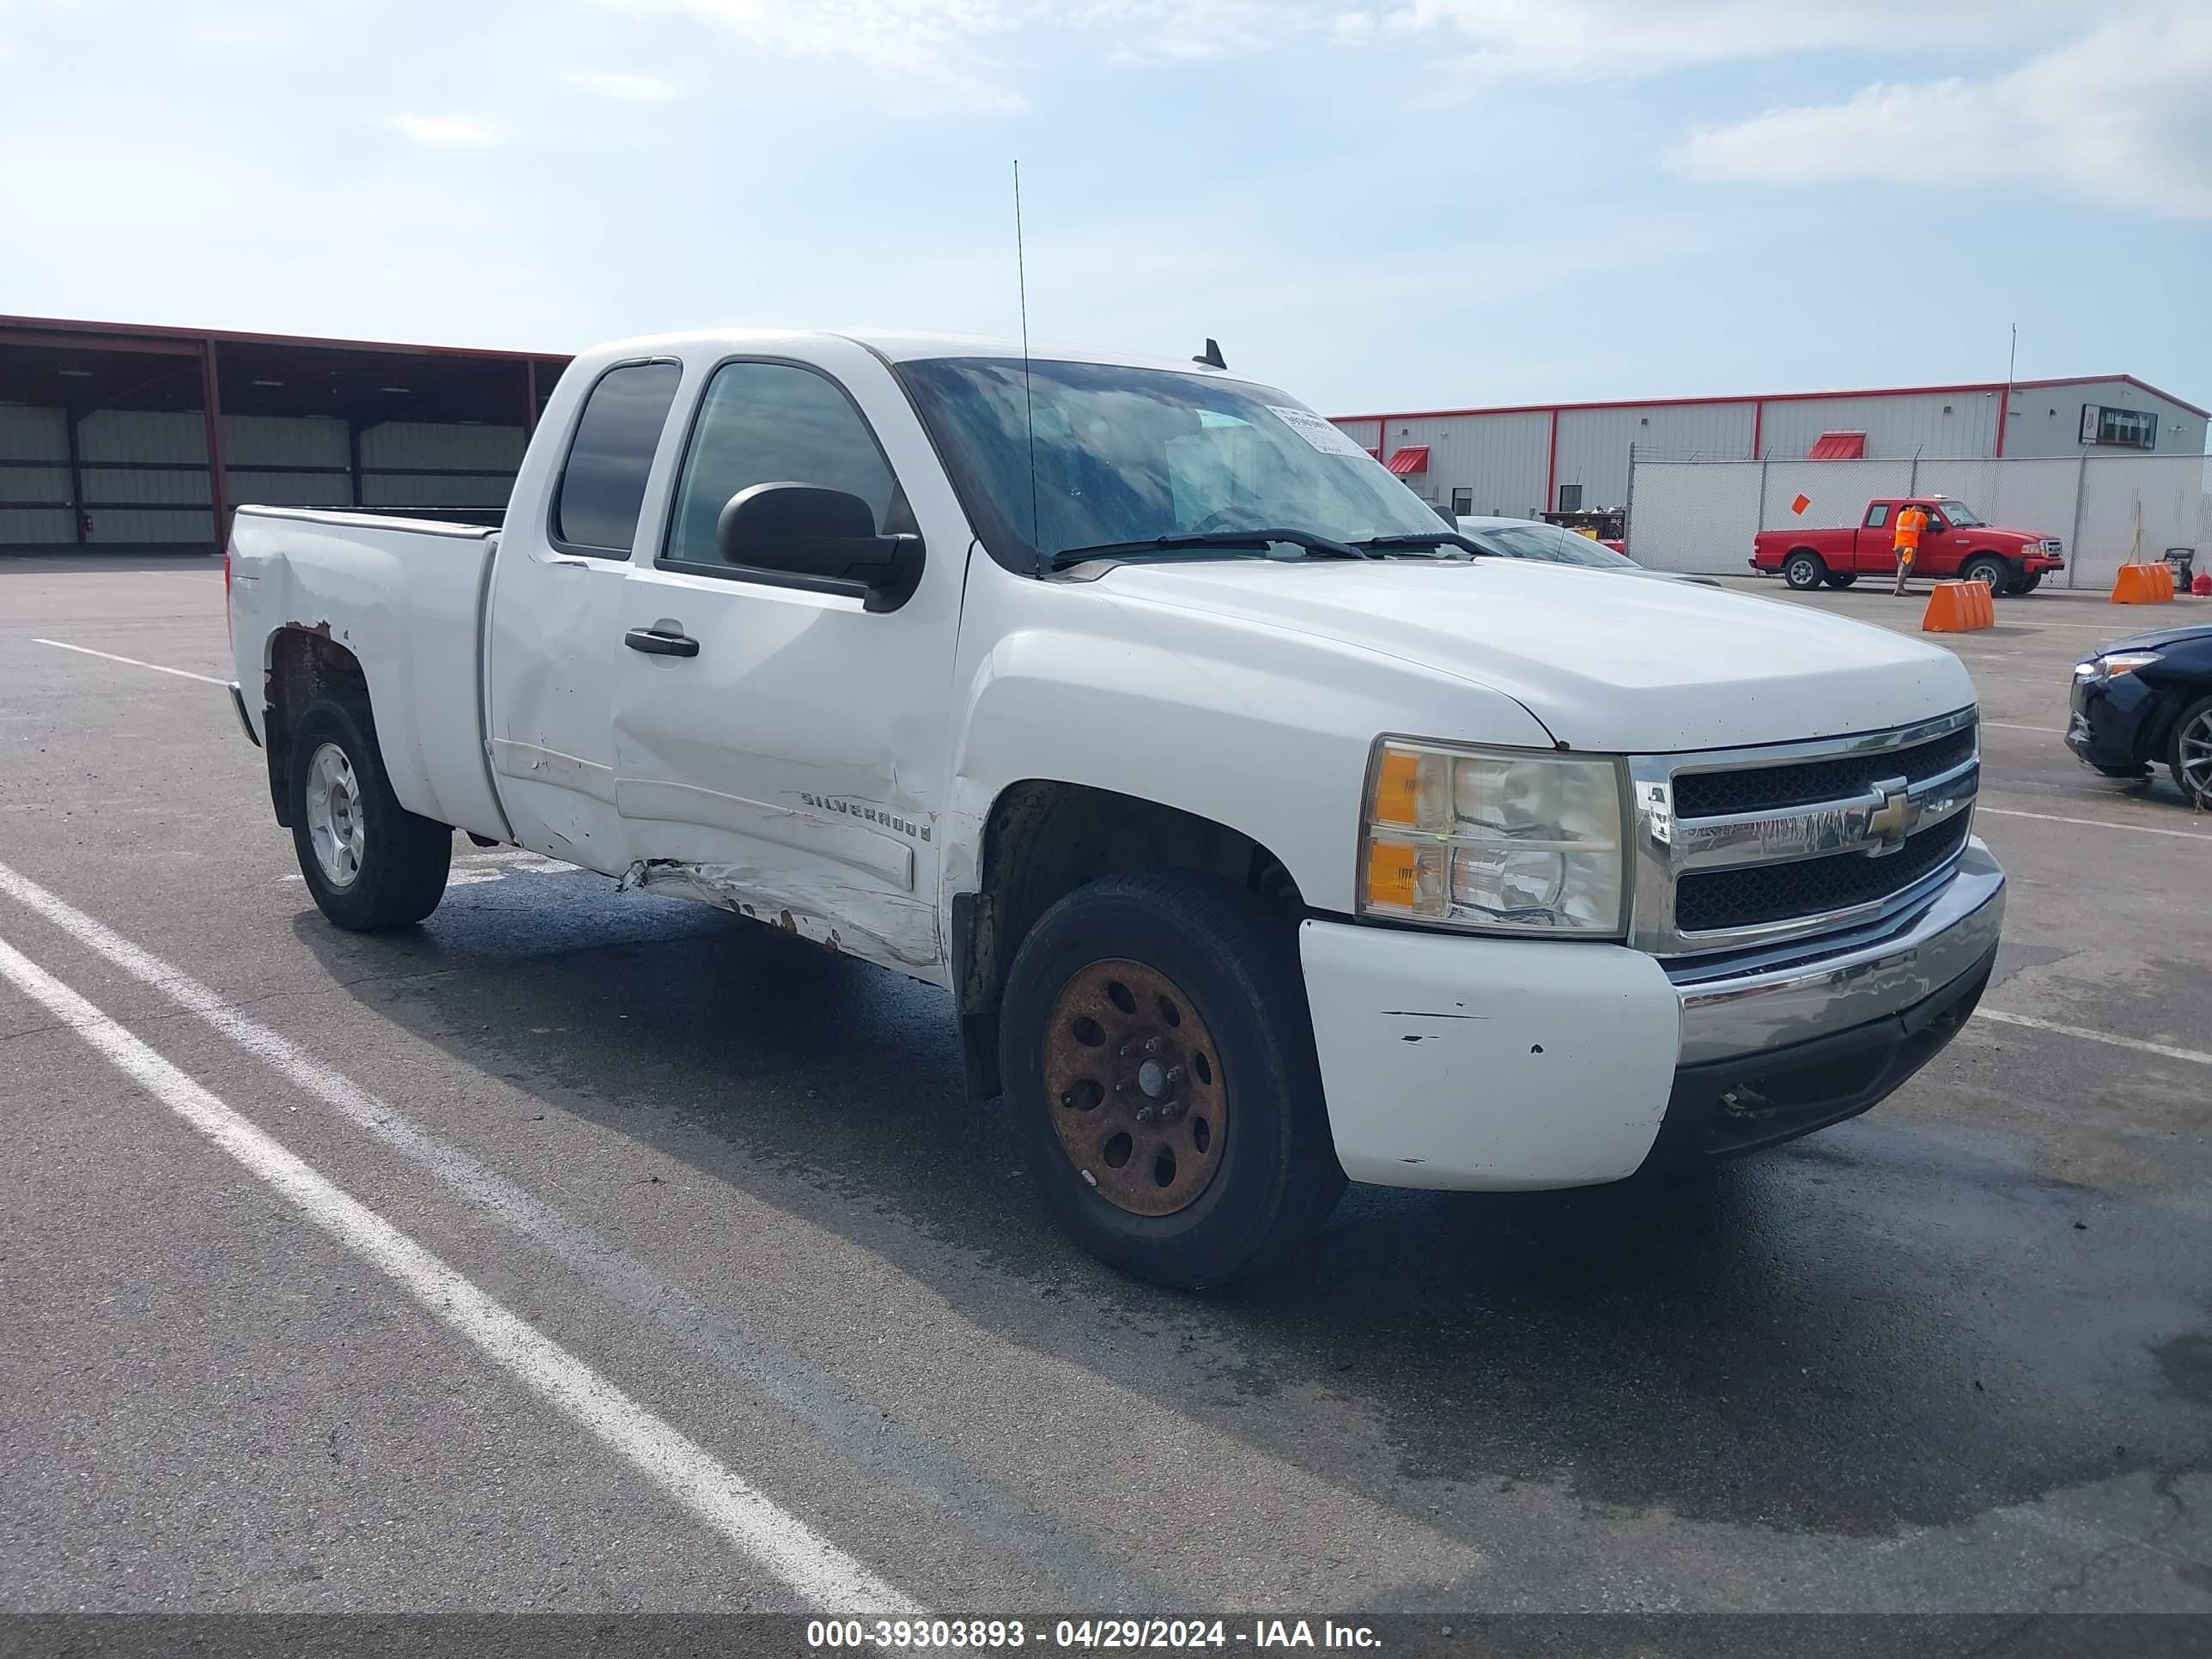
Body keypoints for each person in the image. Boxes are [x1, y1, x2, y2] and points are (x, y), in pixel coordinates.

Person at [1892, 501, 1929, 596]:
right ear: (1920, 509)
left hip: (1898, 545)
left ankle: (1900, 587)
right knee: (1905, 567)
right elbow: (1924, 528)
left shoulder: (1902, 514)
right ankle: (1899, 589)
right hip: (1909, 546)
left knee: (1901, 566)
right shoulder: (1920, 515)